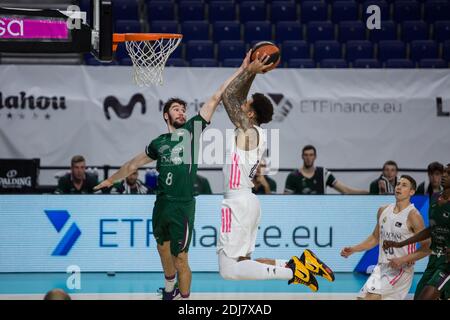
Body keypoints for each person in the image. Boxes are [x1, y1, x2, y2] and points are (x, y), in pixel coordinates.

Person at [94, 66, 246, 300]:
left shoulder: (192, 130)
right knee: (162, 248)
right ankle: (169, 290)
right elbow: (133, 164)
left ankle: (184, 300)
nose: (182, 112)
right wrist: (110, 180)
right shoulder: (159, 142)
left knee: (181, 258)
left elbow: (216, 97)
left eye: (183, 109)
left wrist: (243, 68)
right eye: (176, 109)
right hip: (161, 204)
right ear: (166, 115)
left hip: (182, 205)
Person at [216, 51, 335, 291]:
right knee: (244, 264)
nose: (242, 103)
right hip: (247, 201)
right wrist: (249, 70)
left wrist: (249, 71)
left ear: (251, 114)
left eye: (246, 105)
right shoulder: (254, 131)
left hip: (237, 202)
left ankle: (293, 272)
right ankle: (299, 263)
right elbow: (237, 95)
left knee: (228, 271)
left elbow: (228, 96)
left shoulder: (248, 131)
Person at [340, 175, 430, 300]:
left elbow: (427, 247)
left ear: (412, 192)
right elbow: (374, 238)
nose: (399, 187)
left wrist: (404, 259)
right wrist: (354, 249)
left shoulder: (413, 215)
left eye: (404, 185)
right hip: (381, 268)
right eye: (398, 184)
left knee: (370, 299)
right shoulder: (383, 210)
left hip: (400, 270)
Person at [383, 163, 450, 300]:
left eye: (448, 173)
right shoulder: (435, 198)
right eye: (444, 172)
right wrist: (399, 244)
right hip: (434, 259)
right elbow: (431, 230)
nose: (444, 175)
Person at [284, 145, 368, 195]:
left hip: (321, 215)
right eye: (306, 155)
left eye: (311, 155)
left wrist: (368, 192)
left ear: (315, 157)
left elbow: (345, 190)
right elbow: (285, 201)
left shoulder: (323, 173)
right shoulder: (293, 176)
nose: (308, 158)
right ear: (302, 156)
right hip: (301, 215)